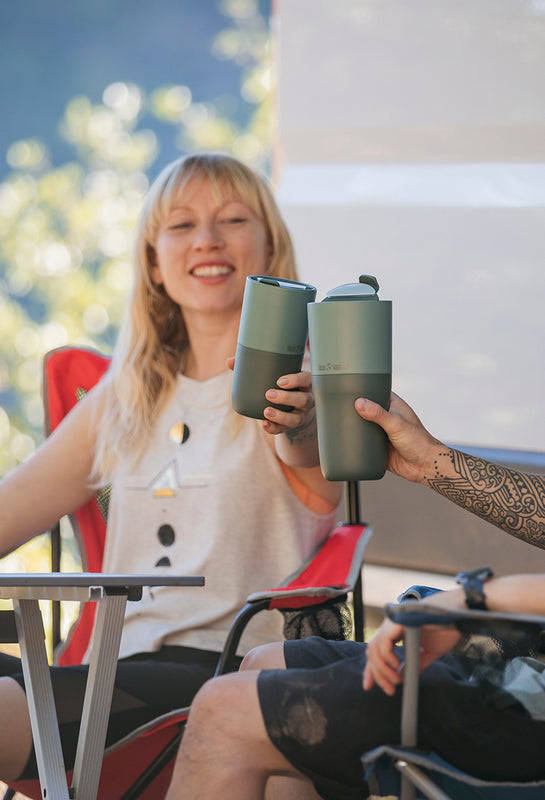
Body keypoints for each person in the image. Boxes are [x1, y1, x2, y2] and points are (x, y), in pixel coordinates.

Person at [0, 152, 342, 783]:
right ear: (154, 262)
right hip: (111, 669)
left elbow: (305, 447)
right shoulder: (125, 395)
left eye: (233, 219)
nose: (207, 239)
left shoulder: (302, 382)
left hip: (224, 677)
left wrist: (301, 419)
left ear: (270, 248)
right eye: (182, 225)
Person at [165, 392, 545, 800]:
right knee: (265, 664)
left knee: (224, 712)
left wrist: (473, 599)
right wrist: (432, 460)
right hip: (527, 663)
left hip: (530, 702)